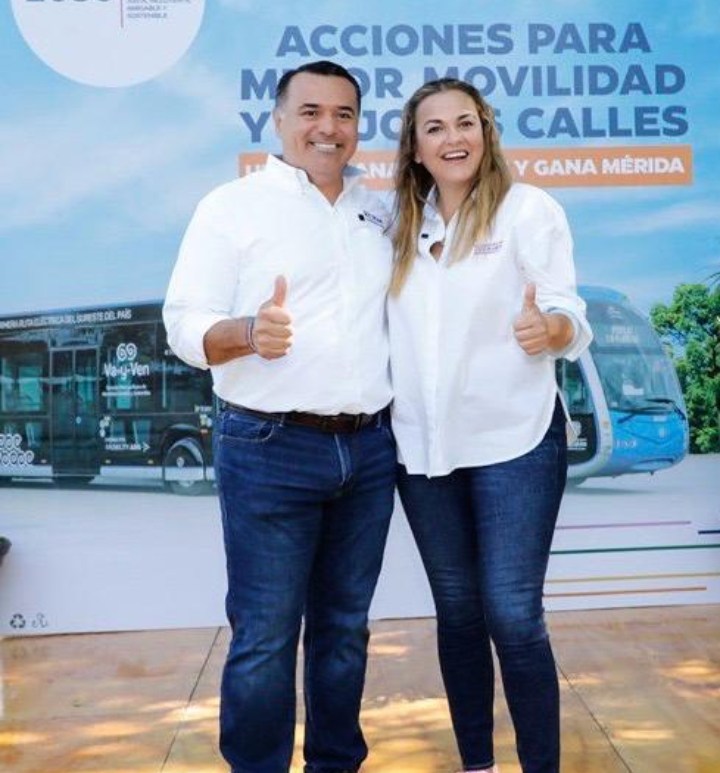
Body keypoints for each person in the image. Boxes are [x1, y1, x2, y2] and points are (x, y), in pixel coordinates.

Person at [163, 60, 396, 773]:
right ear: (278, 119)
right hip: (269, 444)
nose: (328, 128)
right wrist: (246, 332)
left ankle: (335, 763)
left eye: (344, 114)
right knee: (265, 634)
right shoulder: (231, 207)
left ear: (358, 125)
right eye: (311, 112)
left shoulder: (377, 212)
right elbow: (183, 322)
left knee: (345, 629)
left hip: (369, 449)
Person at [387, 78, 593, 773]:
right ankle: (478, 764)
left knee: (512, 613)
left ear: (486, 131)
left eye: (465, 123)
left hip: (515, 439)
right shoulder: (399, 227)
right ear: (415, 148)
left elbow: (567, 310)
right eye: (435, 128)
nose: (454, 138)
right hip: (422, 448)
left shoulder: (527, 209)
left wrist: (550, 329)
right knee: (458, 611)